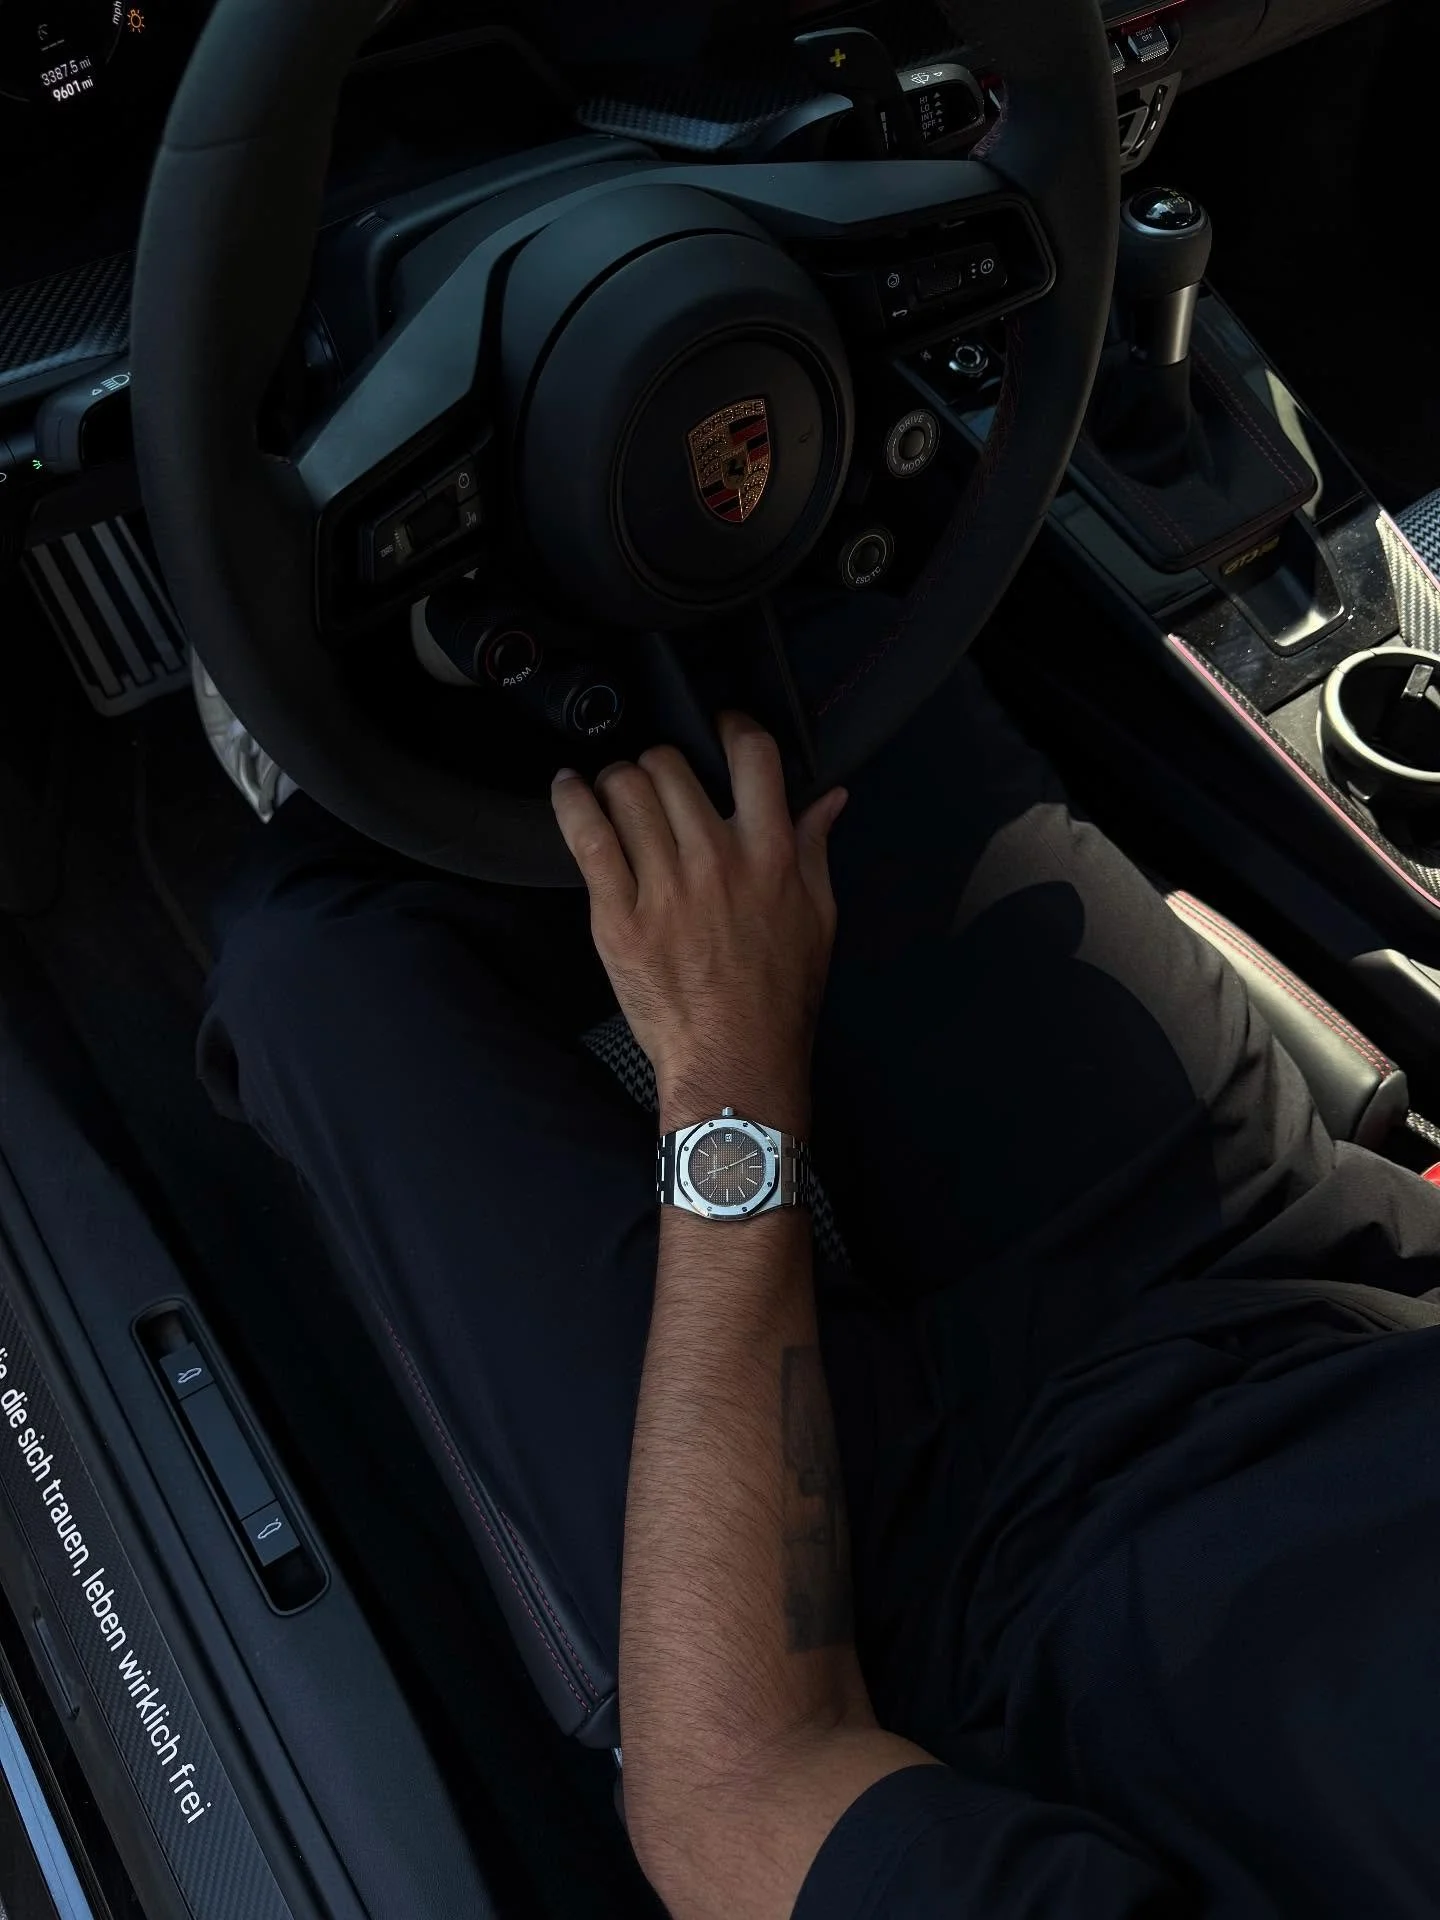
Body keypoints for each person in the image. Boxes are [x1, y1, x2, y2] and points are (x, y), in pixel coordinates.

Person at [198, 658, 1440, 1919]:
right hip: (1279, 1276)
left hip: (918, 1599)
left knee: (311, 952)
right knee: (819, 674)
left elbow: (734, 1806)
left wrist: (730, 1069)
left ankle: (317, 715)